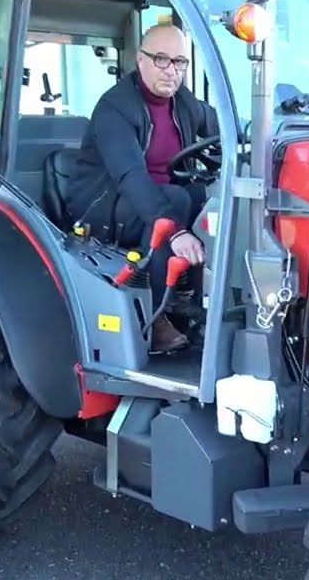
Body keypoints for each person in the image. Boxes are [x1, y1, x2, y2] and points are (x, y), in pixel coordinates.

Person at [63, 22, 218, 353]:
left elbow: (221, 129)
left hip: (157, 197)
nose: (171, 71)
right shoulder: (115, 108)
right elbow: (131, 177)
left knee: (205, 195)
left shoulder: (183, 102)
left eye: (179, 62)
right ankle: (156, 314)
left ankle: (194, 297)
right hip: (106, 205)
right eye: (161, 59)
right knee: (175, 199)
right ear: (140, 60)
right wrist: (175, 232)